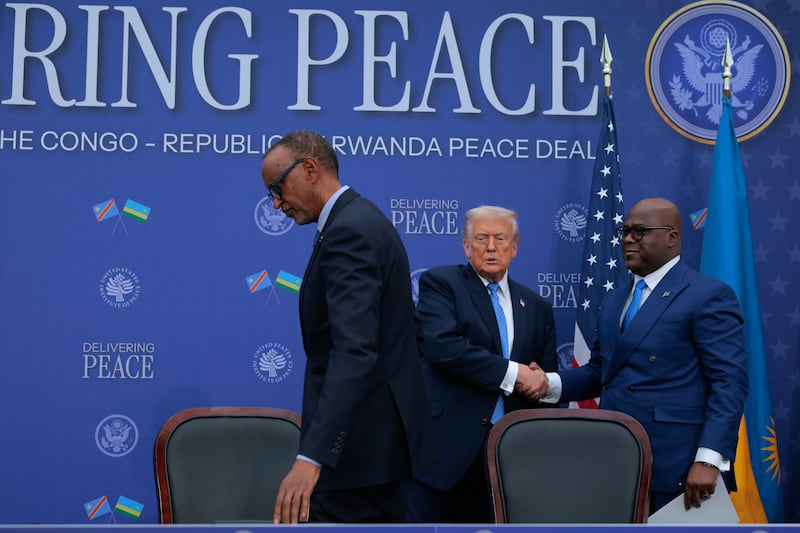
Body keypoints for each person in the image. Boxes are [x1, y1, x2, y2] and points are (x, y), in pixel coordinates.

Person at [261, 130, 436, 524]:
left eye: (277, 187)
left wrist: (313, 455)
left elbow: (354, 351)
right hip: (378, 453)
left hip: (355, 458)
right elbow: (409, 328)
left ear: (309, 169)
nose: (275, 203)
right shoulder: (363, 219)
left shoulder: (348, 232)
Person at [537, 197, 748, 513]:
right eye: (625, 231)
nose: (628, 239)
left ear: (671, 237)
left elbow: (729, 383)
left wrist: (709, 459)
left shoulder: (707, 295)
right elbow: (601, 372)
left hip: (678, 465)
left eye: (640, 231)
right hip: (616, 458)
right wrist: (546, 384)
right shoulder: (614, 299)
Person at [404, 205, 557, 523]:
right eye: (481, 238)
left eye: (500, 238)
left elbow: (542, 379)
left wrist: (541, 385)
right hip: (445, 451)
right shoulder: (442, 284)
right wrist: (515, 373)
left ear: (514, 248)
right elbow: (444, 348)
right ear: (465, 246)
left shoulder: (537, 307)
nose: (491, 247)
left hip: (512, 456)